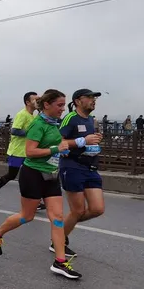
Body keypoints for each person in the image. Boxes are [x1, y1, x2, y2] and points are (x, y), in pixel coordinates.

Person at [0, 89, 82, 279]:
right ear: (47, 105)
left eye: (64, 105)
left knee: (57, 217)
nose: (63, 109)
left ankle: (60, 262)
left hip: (51, 174)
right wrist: (55, 148)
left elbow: (56, 144)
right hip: (32, 174)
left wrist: (71, 146)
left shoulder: (53, 123)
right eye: (59, 105)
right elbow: (30, 152)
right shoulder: (38, 124)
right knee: (26, 216)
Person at [58, 89, 104, 257]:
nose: (94, 100)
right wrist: (83, 141)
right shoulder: (70, 118)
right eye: (90, 97)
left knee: (97, 209)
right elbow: (58, 141)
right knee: (77, 210)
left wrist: (94, 143)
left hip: (90, 167)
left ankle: (60, 231)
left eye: (95, 98)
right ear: (78, 101)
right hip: (72, 166)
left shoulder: (91, 120)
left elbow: (88, 141)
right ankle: (58, 240)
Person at [0, 92, 45, 210]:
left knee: (33, 175)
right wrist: (30, 134)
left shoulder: (34, 116)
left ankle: (36, 201)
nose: (38, 101)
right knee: (11, 175)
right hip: (17, 151)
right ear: (28, 102)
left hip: (28, 152)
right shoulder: (22, 114)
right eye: (35, 100)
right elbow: (14, 131)